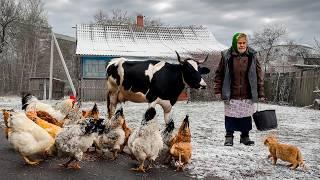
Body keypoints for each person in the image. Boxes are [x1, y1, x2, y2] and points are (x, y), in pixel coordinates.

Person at [214, 33, 265, 146]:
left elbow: (259, 75)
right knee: (230, 116)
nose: (242, 45)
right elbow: (219, 74)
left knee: (246, 116)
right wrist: (218, 90)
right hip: (231, 92)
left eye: (244, 43)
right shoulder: (226, 55)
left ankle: (245, 137)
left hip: (247, 93)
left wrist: (260, 92)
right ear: (235, 43)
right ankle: (229, 137)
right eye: (239, 43)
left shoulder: (252, 55)